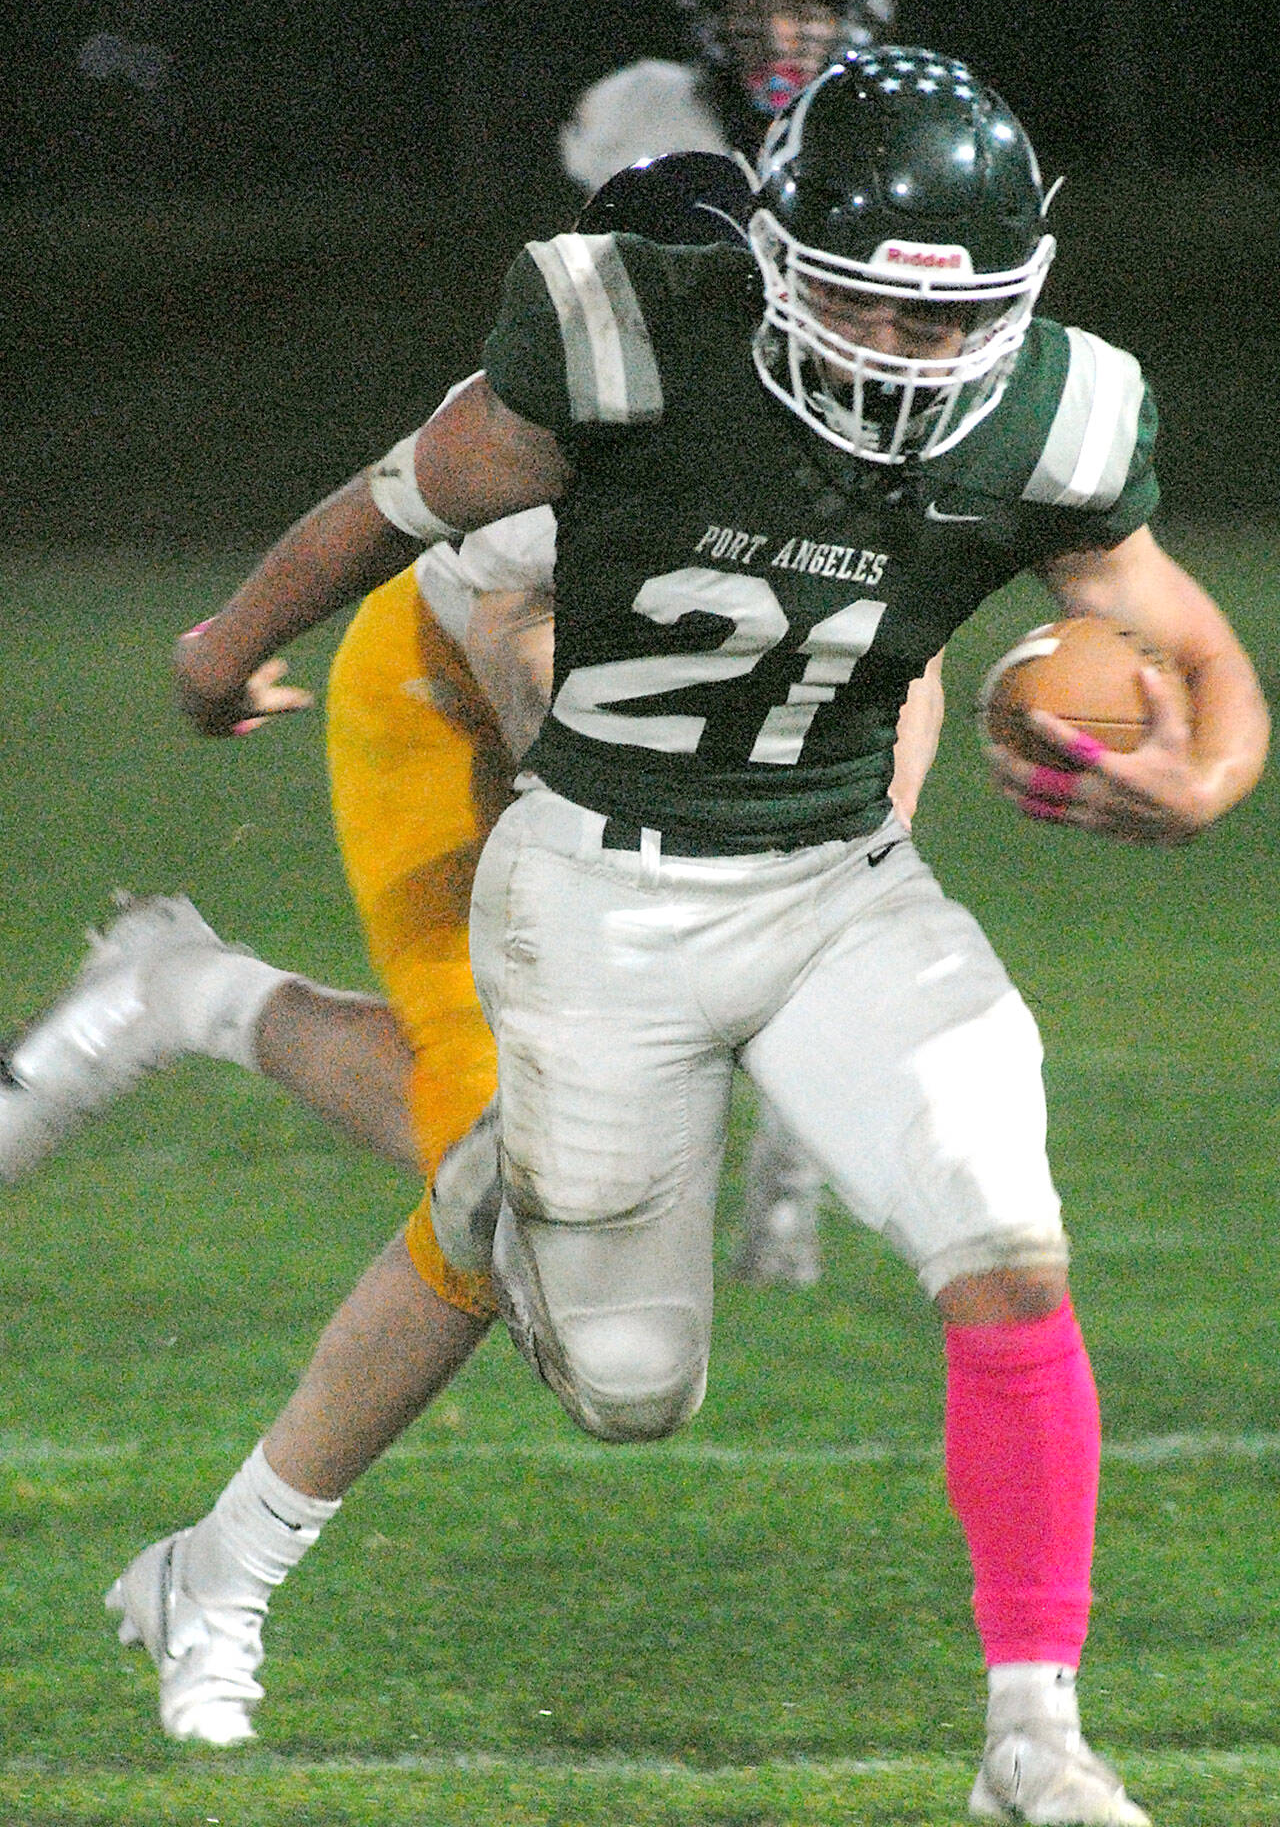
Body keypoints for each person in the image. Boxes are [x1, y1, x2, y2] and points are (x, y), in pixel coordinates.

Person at [143, 49, 1271, 1820]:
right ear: (774, 249)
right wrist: (224, 646)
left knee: (1005, 1235)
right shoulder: (622, 340)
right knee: (629, 1389)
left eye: (950, 322)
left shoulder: (1050, 412)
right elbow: (394, 505)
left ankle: (1033, 1735)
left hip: (835, 886)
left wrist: (1205, 780)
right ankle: (475, 1173)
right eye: (864, 313)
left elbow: (1191, 645)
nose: (907, 361)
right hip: (601, 881)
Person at [1, 153, 940, 1748]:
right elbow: (526, 668)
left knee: (554, 1213)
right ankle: (219, 1568)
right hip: (447, 710)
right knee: (503, 1172)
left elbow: (888, 672)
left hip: (644, 750)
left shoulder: (857, 410)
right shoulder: (565, 413)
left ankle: (187, 996)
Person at [562, 0, 902, 1283]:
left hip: (835, 517)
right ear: (711, 14)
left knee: (834, 828)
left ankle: (788, 1152)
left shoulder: (889, 125)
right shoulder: (641, 117)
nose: (779, 34)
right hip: (666, 503)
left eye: (807, 8)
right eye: (756, 7)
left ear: (855, 15)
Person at [560, 0, 895, 192]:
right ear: (713, 20)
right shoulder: (642, 105)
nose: (779, 42)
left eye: (804, 16)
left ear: (853, 23)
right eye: (751, 15)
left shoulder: (885, 121)